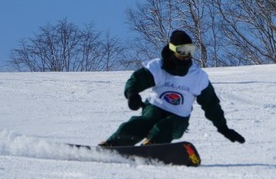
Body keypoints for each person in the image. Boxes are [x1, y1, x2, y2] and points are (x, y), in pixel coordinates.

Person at [100, 30, 245, 147]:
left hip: (178, 118)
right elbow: (137, 80)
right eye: (182, 51)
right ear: (172, 50)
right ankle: (112, 144)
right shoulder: (158, 68)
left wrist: (223, 128)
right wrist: (131, 93)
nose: (186, 56)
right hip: (155, 108)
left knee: (165, 126)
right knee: (140, 123)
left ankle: (152, 145)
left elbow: (211, 104)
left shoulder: (198, 77)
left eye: (190, 50)